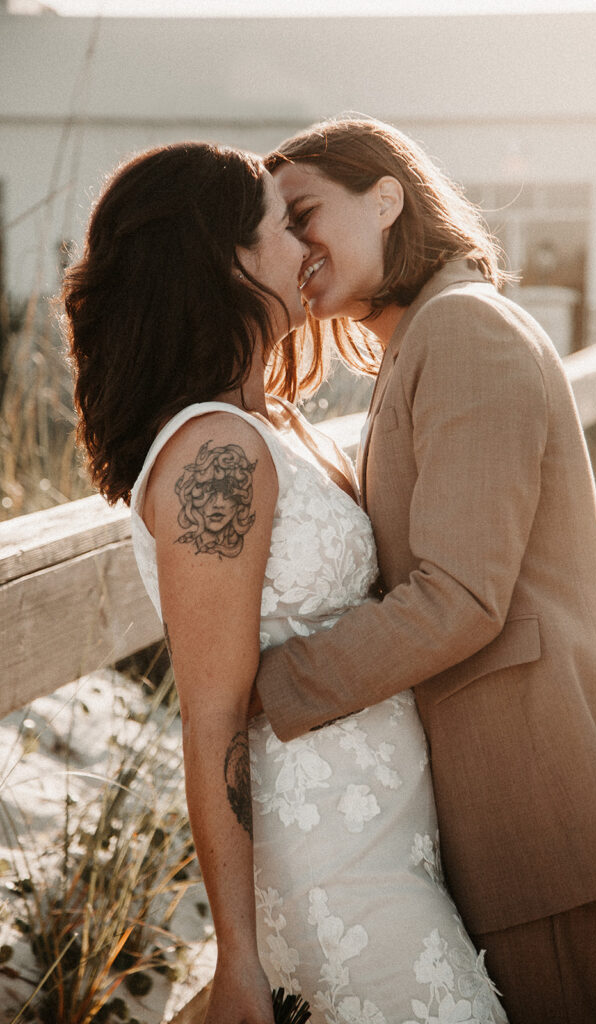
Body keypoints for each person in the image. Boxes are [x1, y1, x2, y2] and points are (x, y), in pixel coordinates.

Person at [62, 141, 508, 1024]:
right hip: (332, 870)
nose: (308, 250)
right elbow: (213, 715)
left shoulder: (279, 424)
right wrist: (237, 958)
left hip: (396, 842)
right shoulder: (214, 453)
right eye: (285, 226)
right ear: (226, 260)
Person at [251, 116, 596, 1024]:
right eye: (277, 228)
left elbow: (459, 598)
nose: (294, 244)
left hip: (539, 805)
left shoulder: (463, 335)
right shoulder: (427, 338)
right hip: (507, 802)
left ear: (385, 197)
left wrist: (264, 690)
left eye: (305, 212)